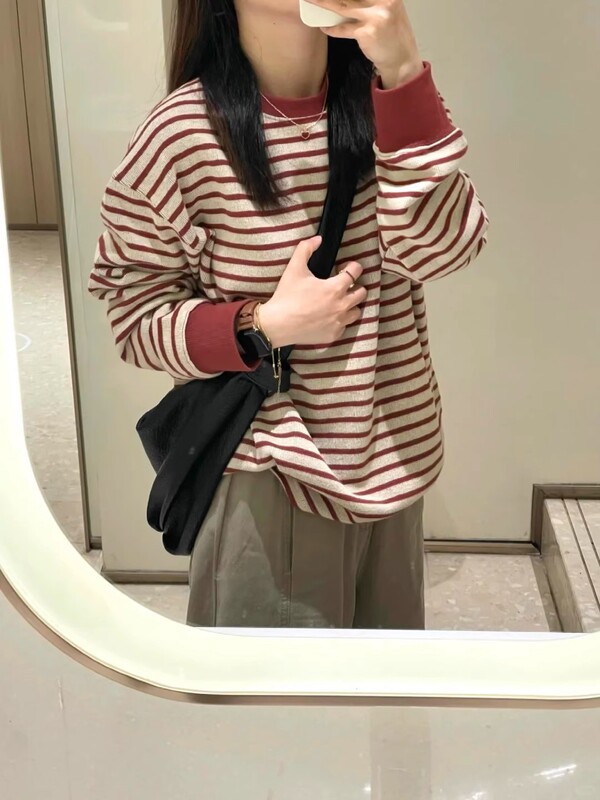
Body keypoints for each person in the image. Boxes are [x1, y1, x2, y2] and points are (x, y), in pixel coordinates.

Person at [89, 0, 489, 630]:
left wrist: (404, 71)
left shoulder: (388, 100)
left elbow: (444, 251)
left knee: (383, 685)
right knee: (276, 695)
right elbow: (134, 316)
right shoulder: (182, 135)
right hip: (270, 475)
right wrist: (262, 325)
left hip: (395, 461)